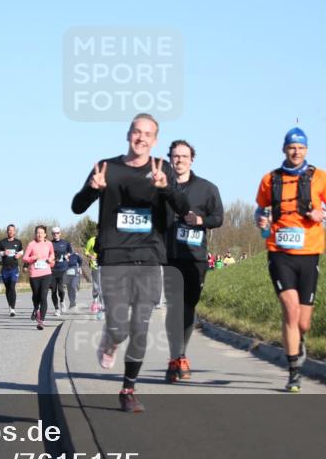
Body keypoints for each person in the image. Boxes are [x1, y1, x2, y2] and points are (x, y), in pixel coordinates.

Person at [72, 113, 189, 413]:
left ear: (155, 140)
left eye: (148, 134)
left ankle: (128, 389)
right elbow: (77, 206)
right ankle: (110, 341)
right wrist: (92, 190)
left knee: (140, 327)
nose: (141, 138)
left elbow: (183, 208)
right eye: (137, 132)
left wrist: (166, 188)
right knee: (120, 326)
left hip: (149, 257)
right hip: (114, 257)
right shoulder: (106, 167)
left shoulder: (162, 170)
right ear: (128, 134)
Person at [255, 127, 326, 392]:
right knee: (290, 309)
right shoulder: (270, 179)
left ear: (306, 150)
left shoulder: (320, 177)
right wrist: (261, 224)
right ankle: (293, 372)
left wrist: (322, 215)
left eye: (301, 148)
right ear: (284, 149)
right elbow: (260, 210)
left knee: (303, 321)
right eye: (292, 147)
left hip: (310, 252)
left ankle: (299, 341)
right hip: (279, 252)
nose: (296, 152)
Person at [163, 140, 224, 383]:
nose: (180, 160)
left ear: (192, 159)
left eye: (184, 156)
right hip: (169, 256)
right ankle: (177, 357)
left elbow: (218, 217)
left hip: (196, 257)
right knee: (174, 306)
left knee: (188, 306)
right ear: (170, 159)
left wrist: (200, 221)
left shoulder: (207, 189)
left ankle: (180, 353)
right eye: (175, 156)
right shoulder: (160, 188)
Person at [22, 225, 54, 330]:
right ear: (35, 234)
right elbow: (25, 258)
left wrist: (50, 259)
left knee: (43, 297)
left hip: (46, 273)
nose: (39, 234)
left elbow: (52, 255)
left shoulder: (49, 244)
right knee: (36, 296)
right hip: (34, 274)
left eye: (41, 232)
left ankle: (41, 321)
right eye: (37, 232)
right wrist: (33, 258)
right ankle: (36, 308)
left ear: (45, 234)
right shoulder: (32, 244)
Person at [0, 224, 23, 316]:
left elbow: (21, 251)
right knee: (8, 288)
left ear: (15, 231)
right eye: (9, 230)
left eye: (12, 230)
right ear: (7, 231)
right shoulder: (2, 242)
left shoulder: (18, 242)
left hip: (14, 268)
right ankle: (10, 305)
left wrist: (19, 255)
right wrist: (3, 253)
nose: (11, 232)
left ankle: (13, 308)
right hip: (5, 268)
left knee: (12, 286)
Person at [48, 226, 73, 316]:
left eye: (57, 233)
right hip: (52, 270)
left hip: (63, 269)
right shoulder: (49, 243)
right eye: (54, 233)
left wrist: (67, 255)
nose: (56, 235)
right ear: (52, 234)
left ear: (60, 233)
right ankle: (56, 309)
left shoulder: (65, 243)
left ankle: (62, 301)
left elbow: (70, 251)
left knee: (61, 290)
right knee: (53, 290)